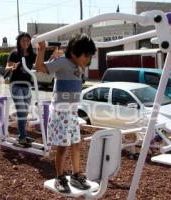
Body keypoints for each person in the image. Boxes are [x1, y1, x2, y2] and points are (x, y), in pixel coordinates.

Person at [35, 34, 96, 193]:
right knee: (62, 147)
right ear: (75, 52)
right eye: (86, 55)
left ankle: (76, 175)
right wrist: (42, 49)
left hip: (73, 114)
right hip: (61, 113)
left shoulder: (78, 66)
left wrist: (61, 51)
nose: (88, 60)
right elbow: (40, 68)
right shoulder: (62, 63)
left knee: (76, 144)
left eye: (90, 56)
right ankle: (60, 177)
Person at [5, 32, 36, 148]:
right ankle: (22, 137)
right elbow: (6, 68)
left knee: (25, 111)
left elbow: (39, 64)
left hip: (27, 85)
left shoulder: (32, 54)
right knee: (21, 110)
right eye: (23, 40)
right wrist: (13, 67)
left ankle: (22, 136)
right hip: (16, 84)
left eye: (28, 41)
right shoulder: (14, 53)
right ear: (19, 41)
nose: (26, 43)